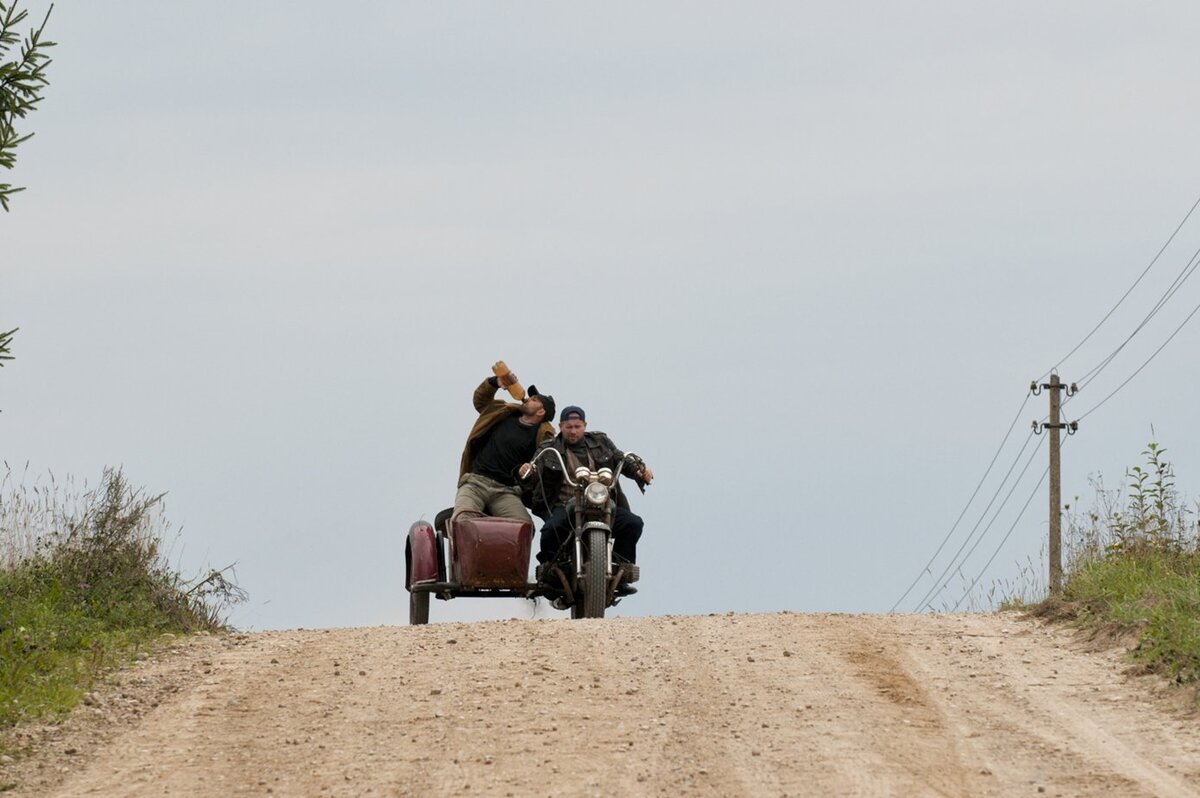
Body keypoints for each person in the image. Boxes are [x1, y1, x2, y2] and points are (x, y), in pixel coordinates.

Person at [529, 405, 653, 566]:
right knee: (550, 530)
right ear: (560, 427)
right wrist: (527, 471)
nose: (573, 431)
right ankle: (550, 567)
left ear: (584, 426)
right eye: (569, 427)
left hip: (602, 503)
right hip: (565, 504)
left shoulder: (600, 442)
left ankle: (621, 565)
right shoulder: (549, 448)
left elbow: (620, 458)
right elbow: (534, 467)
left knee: (633, 523)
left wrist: (639, 471)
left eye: (577, 427)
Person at [452, 367, 556, 525]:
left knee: (525, 527)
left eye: (534, 399)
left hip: (506, 491)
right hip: (475, 482)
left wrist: (528, 472)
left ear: (541, 412)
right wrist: (496, 382)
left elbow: (542, 471)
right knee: (461, 520)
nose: (527, 399)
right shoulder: (503, 412)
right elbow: (480, 401)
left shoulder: (543, 439)